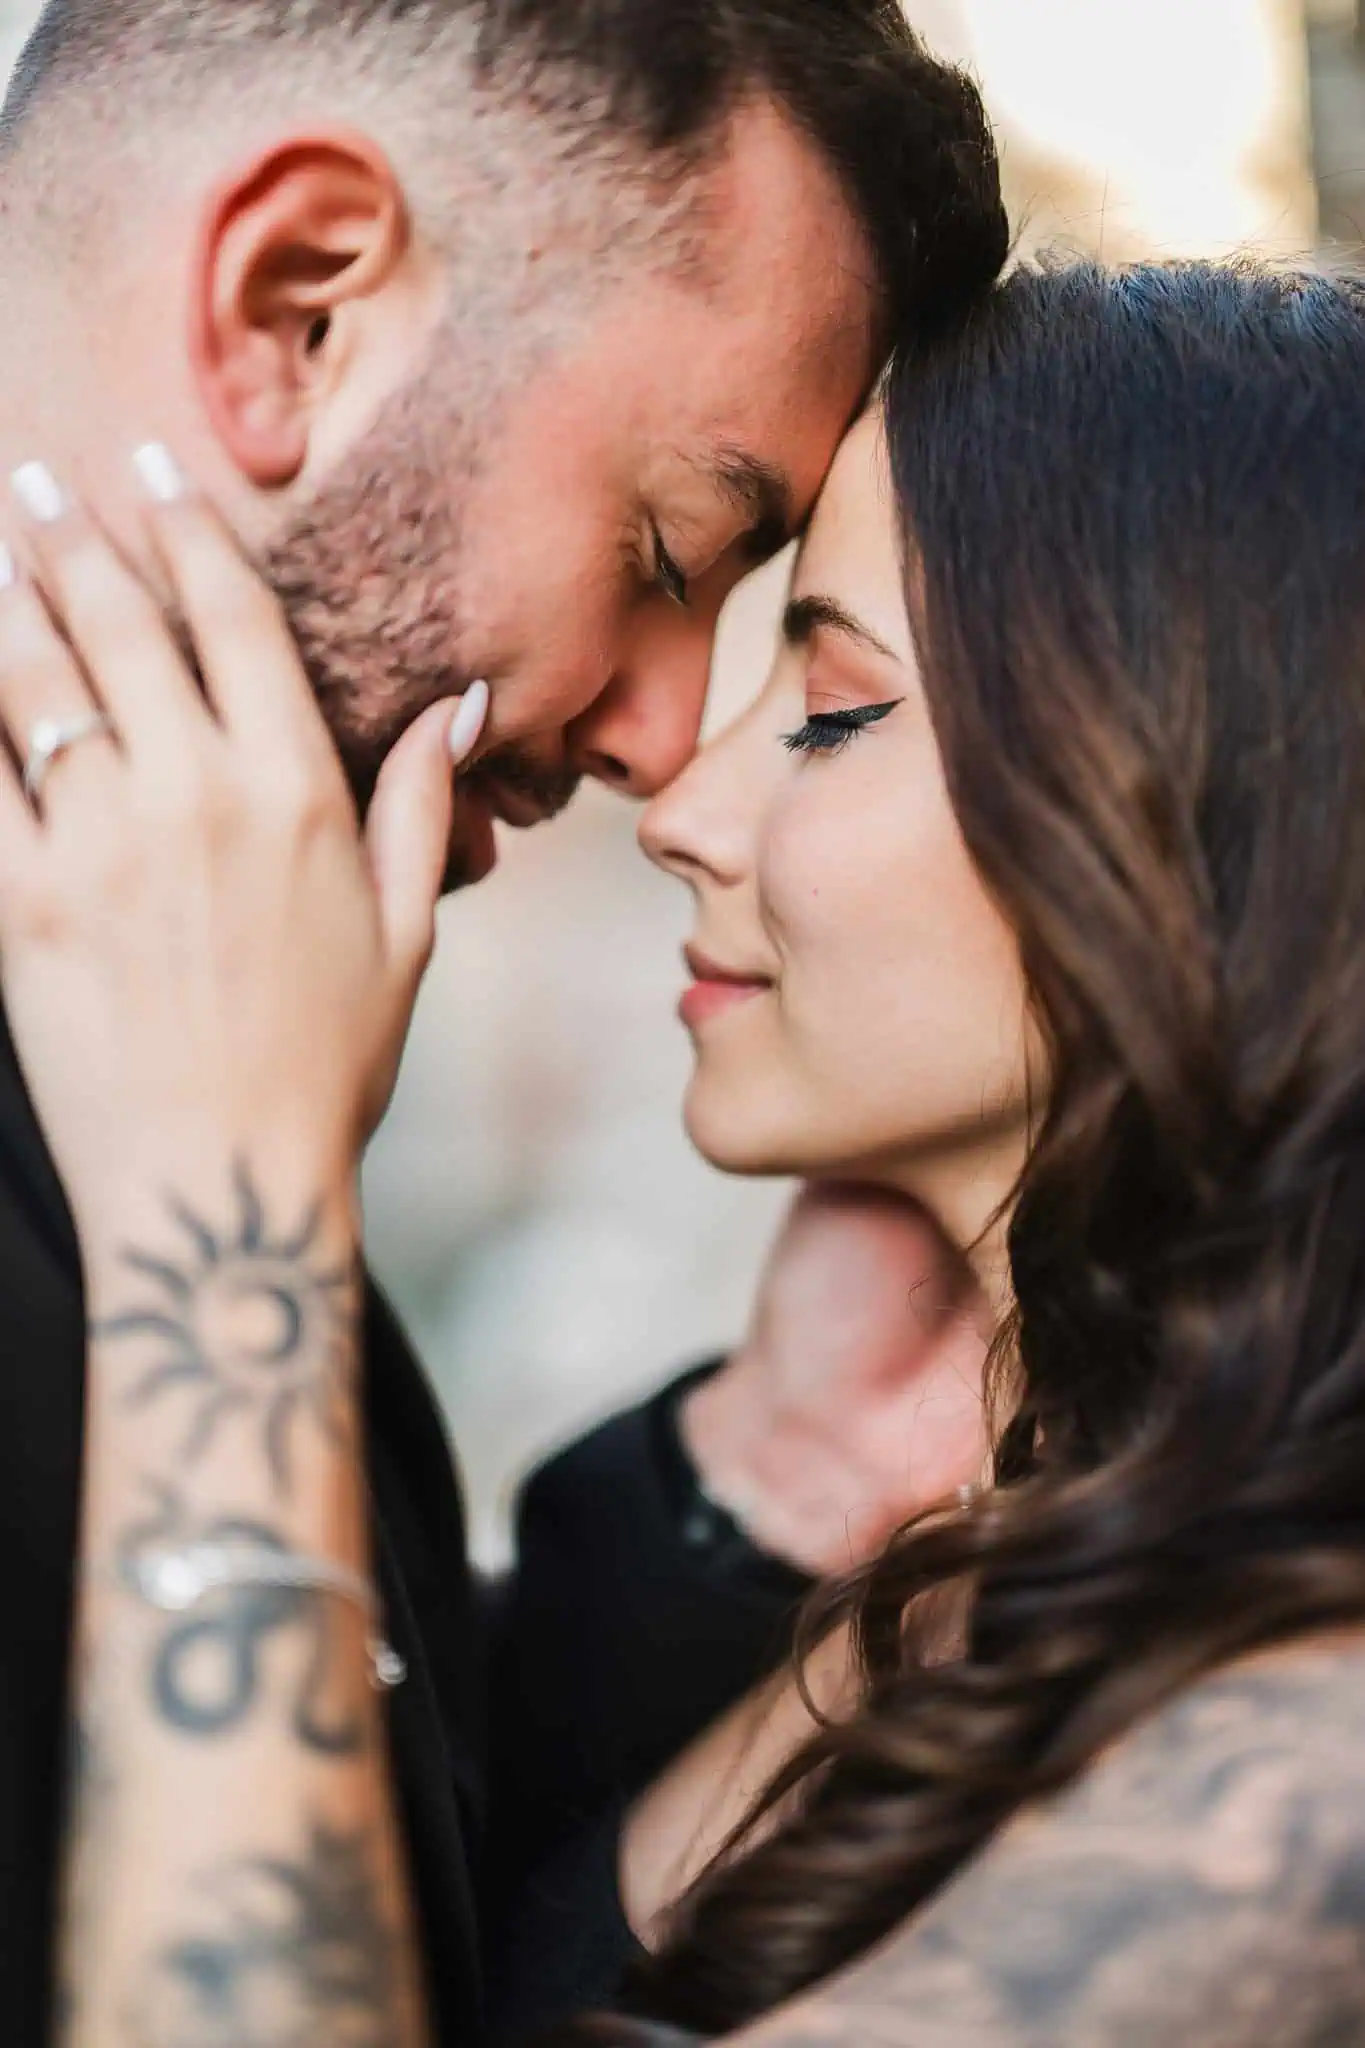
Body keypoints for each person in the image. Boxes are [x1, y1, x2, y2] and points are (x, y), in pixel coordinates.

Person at [10, 251, 1365, 2046]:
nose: (685, 811)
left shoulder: (1301, 1798)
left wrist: (225, 1208)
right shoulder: (993, 1571)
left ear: (1208, 809)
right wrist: (758, 1474)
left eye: (834, 708)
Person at [0, 2, 1008, 2039]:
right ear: (297, 305)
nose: (660, 744)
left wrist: (752, 1491)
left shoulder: (195, 1013)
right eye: (664, 549)